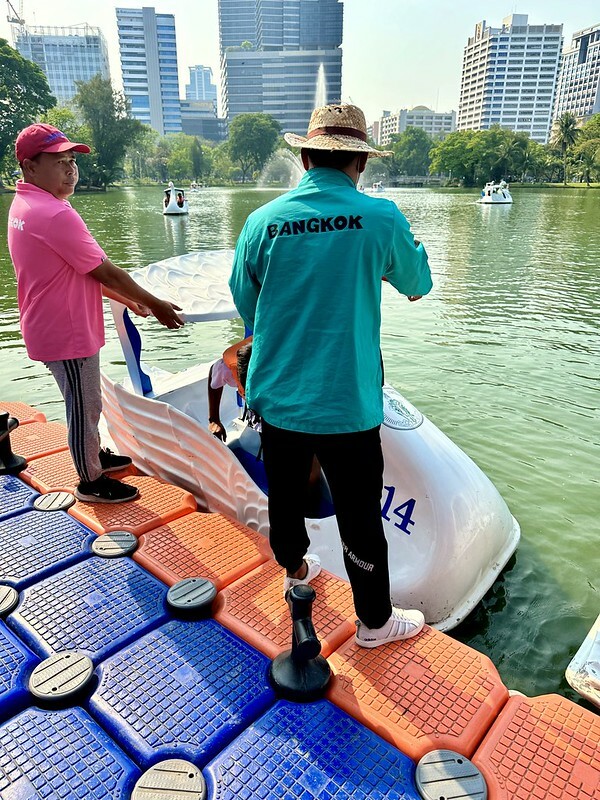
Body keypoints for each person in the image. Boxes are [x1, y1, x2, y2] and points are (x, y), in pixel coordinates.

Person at [229, 103, 433, 648]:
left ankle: (295, 572)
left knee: (286, 497)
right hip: (348, 402)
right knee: (361, 515)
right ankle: (373, 622)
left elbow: (245, 301)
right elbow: (419, 284)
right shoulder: (381, 217)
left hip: (278, 397)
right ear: (360, 163)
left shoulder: (262, 222)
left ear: (304, 157)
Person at [7, 123, 184, 504]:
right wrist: (154, 303)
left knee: (86, 401)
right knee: (84, 407)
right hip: (65, 332)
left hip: (54, 323)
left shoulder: (27, 205)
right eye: (59, 162)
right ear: (29, 166)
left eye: (72, 161)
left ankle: (94, 455)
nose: (71, 169)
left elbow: (76, 268)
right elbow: (105, 269)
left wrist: (125, 297)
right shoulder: (54, 214)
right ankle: (90, 480)